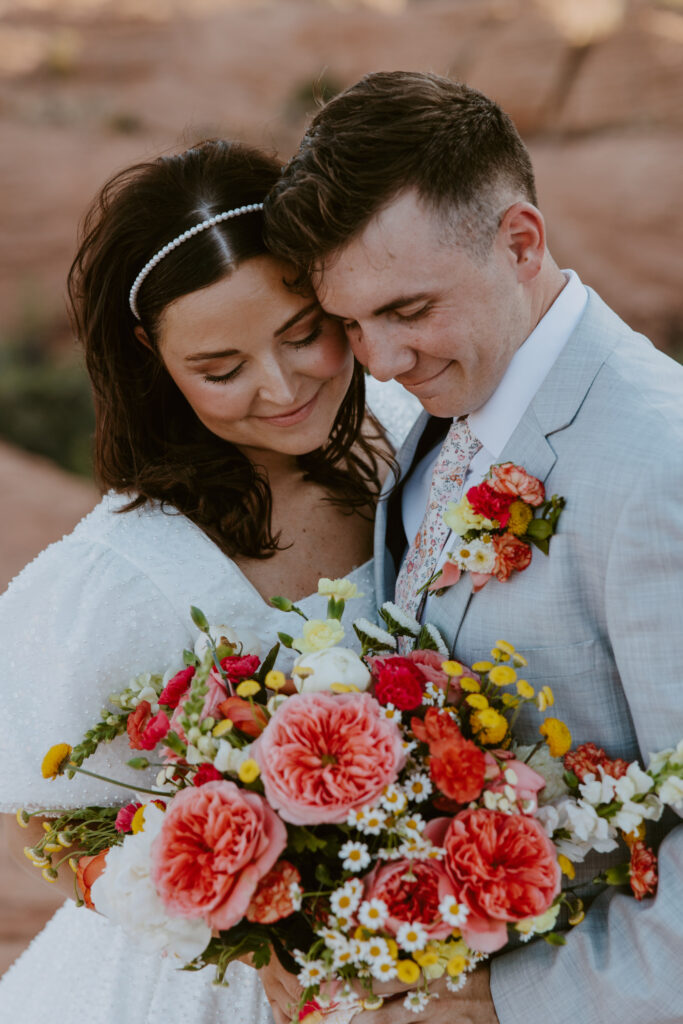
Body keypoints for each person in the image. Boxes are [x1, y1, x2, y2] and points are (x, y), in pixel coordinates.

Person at [263, 72, 683, 1023]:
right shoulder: (446, 403)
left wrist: (499, 1002)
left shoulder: (660, 467)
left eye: (409, 310)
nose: (381, 362)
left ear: (521, 243)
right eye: (350, 323)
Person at [0, 138, 419, 1024]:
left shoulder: (409, 426)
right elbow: (44, 814)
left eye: (303, 334)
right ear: (152, 355)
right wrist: (223, 916)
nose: (281, 387)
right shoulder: (121, 575)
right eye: (220, 371)